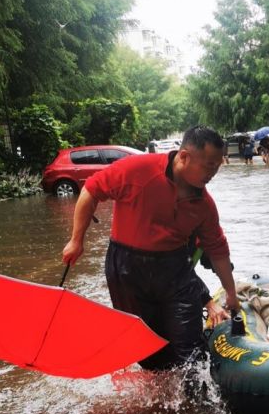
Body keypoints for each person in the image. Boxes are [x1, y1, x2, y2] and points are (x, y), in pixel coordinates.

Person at [62, 125, 243, 371]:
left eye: (218, 166)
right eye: (209, 165)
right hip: (127, 268)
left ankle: (196, 405)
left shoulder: (205, 205)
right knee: (148, 351)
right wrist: (76, 240)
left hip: (175, 270)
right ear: (184, 156)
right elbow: (91, 191)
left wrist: (230, 293)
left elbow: (218, 250)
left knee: (192, 350)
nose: (213, 173)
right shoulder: (137, 170)